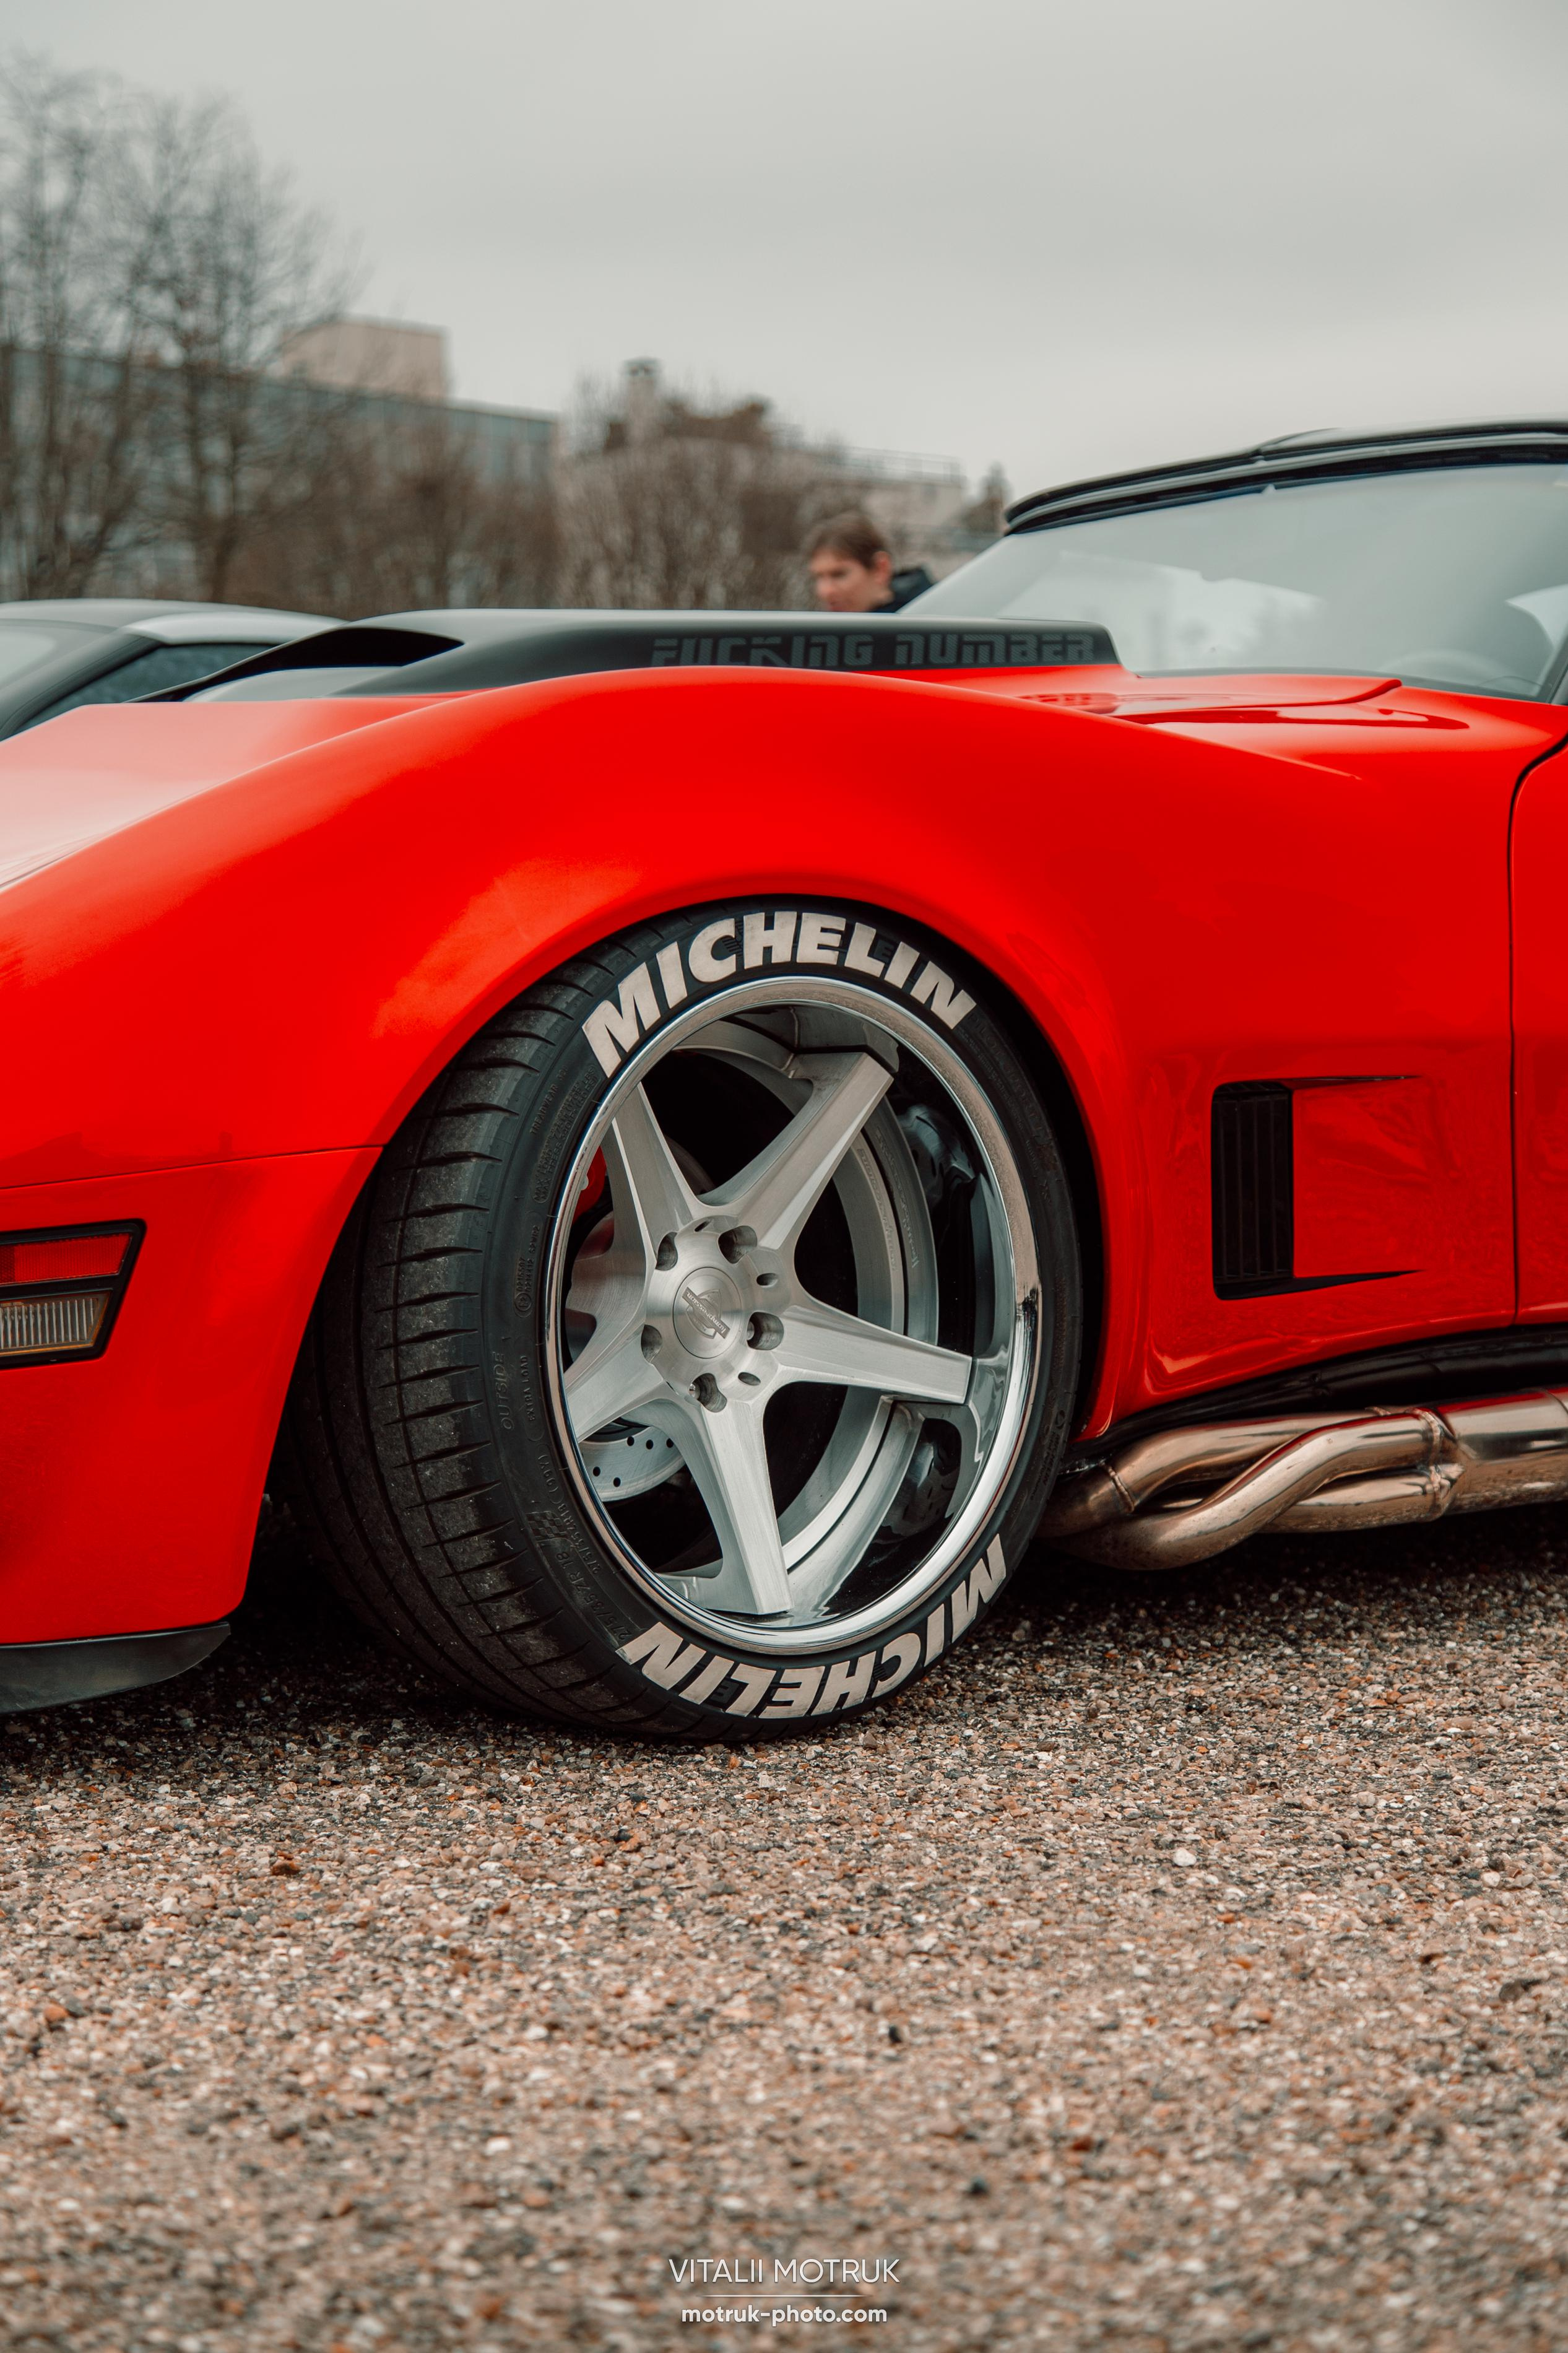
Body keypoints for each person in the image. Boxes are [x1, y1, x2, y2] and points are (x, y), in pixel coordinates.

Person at [806, 511, 933, 614]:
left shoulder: (937, 628)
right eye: (818, 577)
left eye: (839, 575)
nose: (825, 591)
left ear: (881, 569)